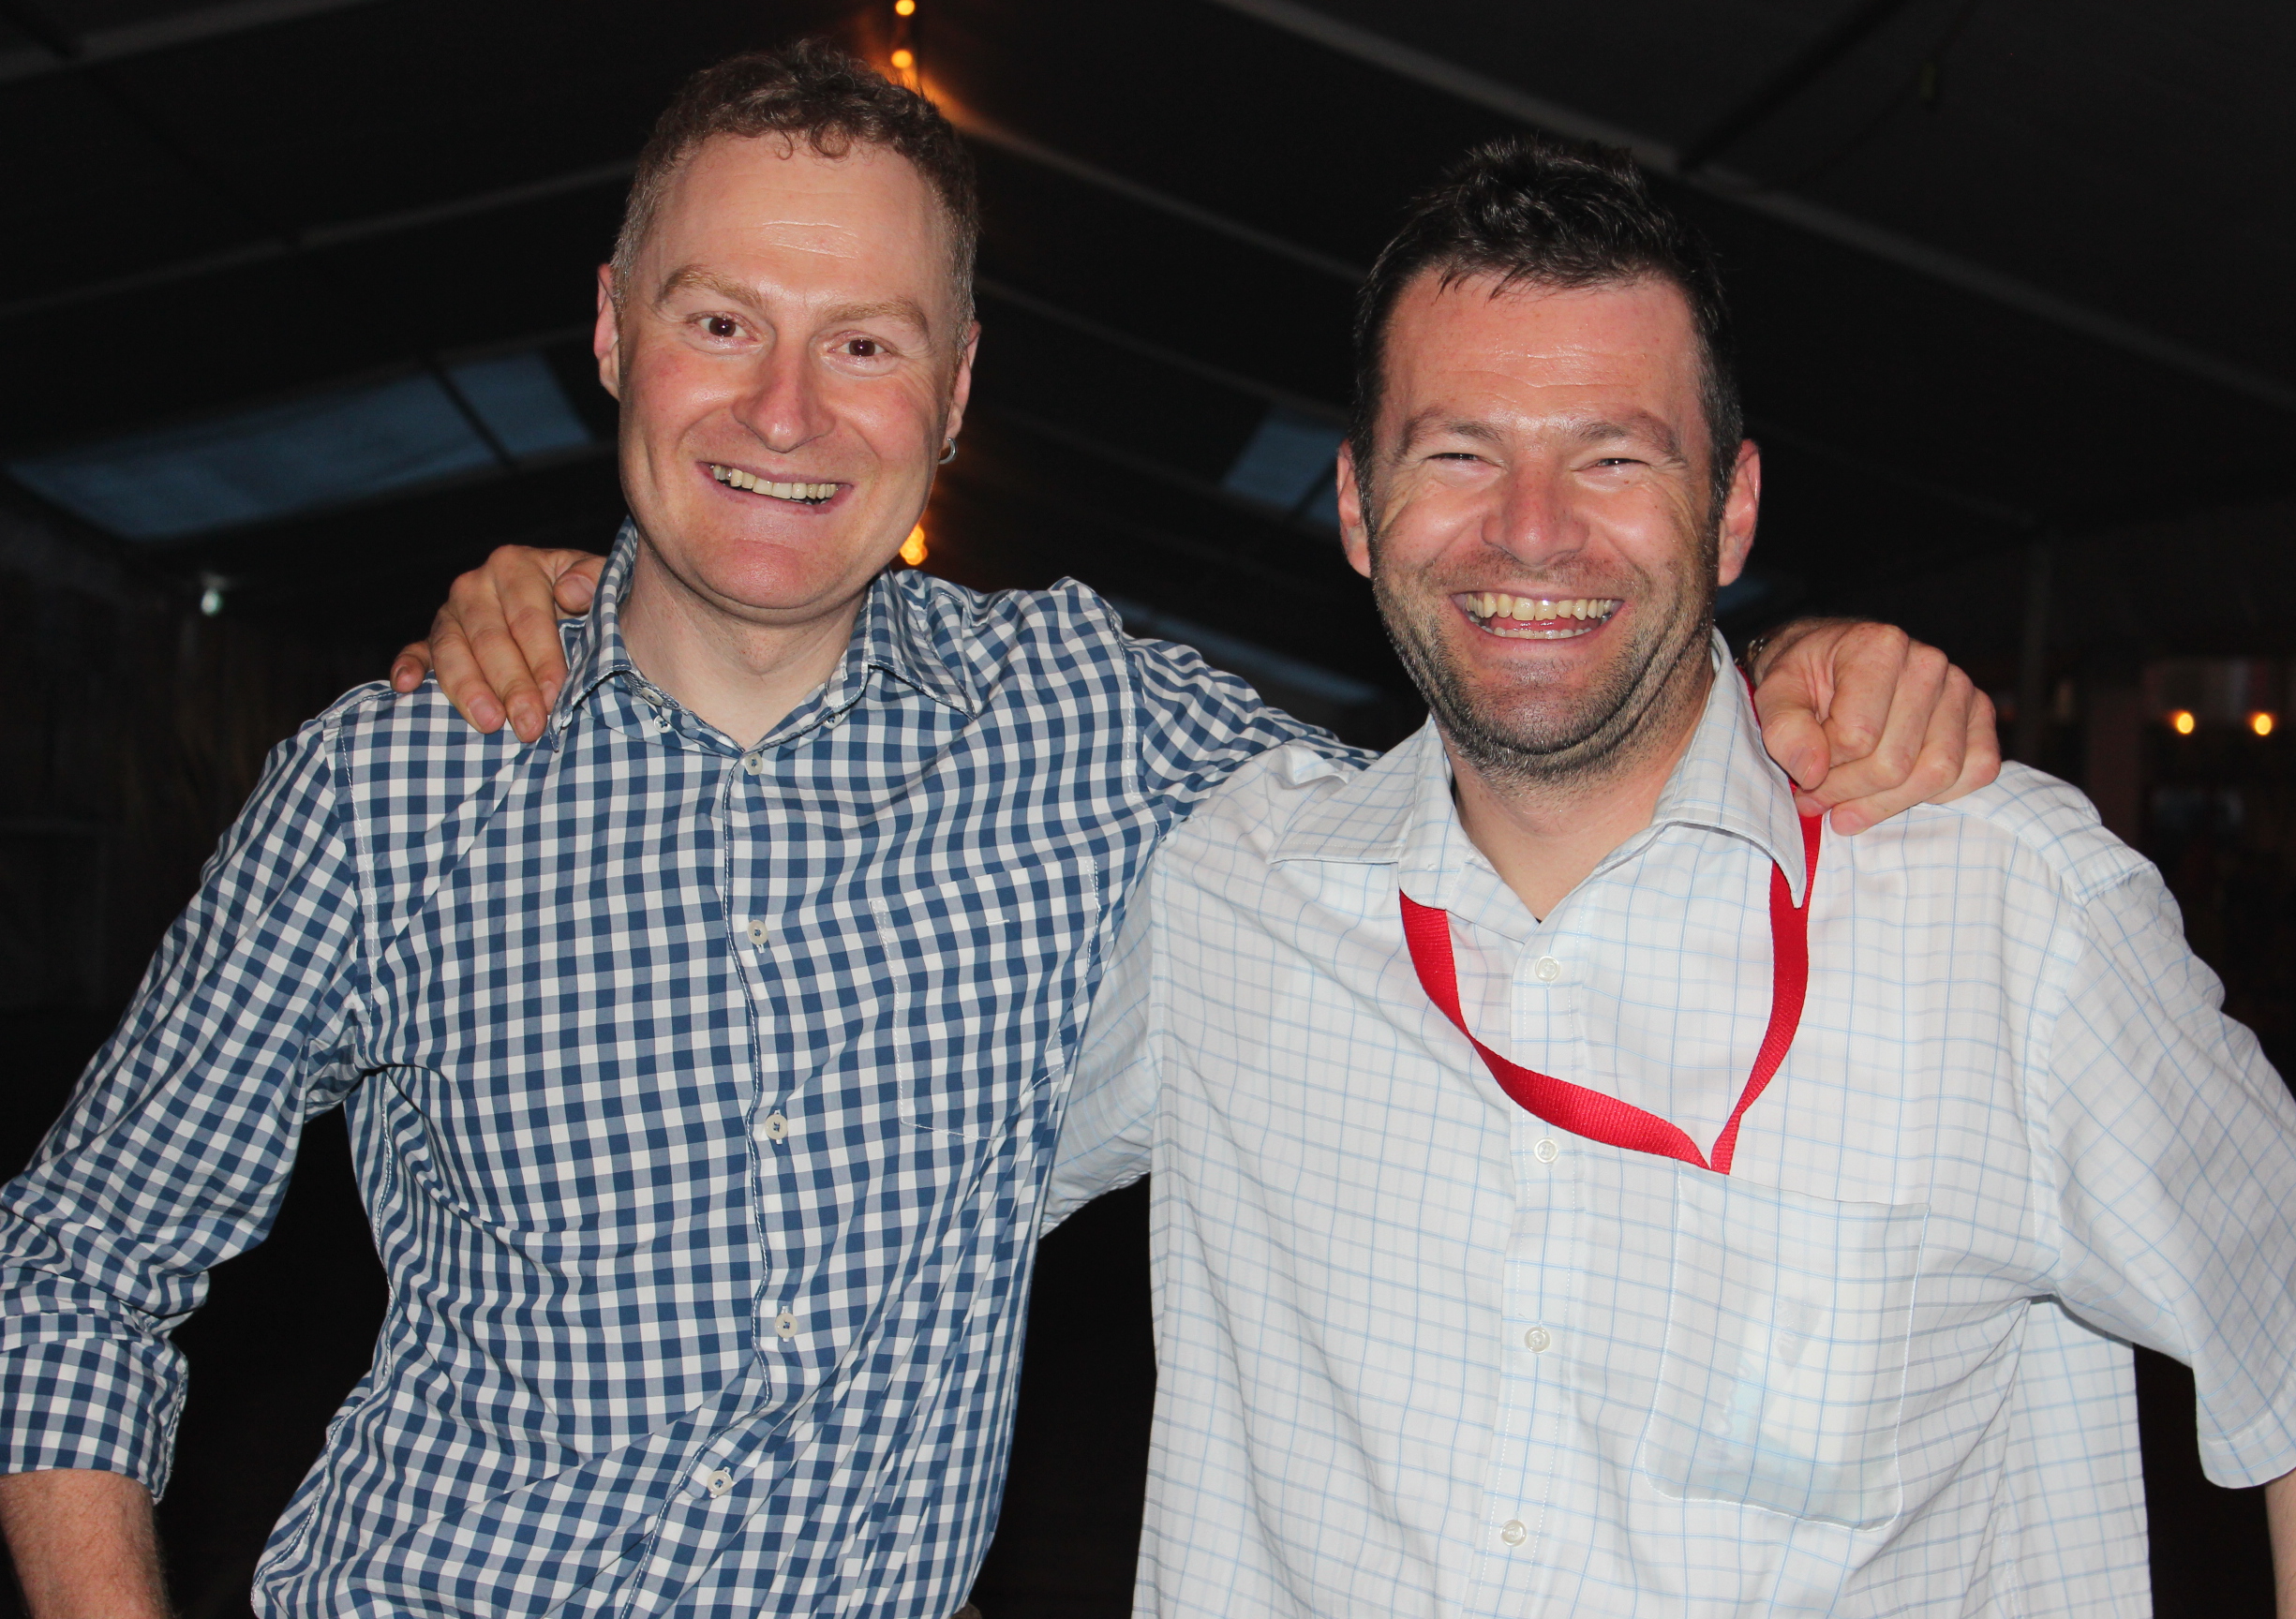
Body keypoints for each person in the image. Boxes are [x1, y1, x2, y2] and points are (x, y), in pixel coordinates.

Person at [0, 44, 1993, 1619]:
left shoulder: (1084, 721)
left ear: (957, 391)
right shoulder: (398, 780)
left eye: (865, 343)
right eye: (721, 323)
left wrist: (1787, 664)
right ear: (612, 333)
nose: (787, 411)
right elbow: (74, 1269)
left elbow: (1482, 784)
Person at [1041, 139, 2296, 1616]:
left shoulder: (2004, 915)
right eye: (1459, 454)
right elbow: (913, 1168)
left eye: (1615, 457)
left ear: (1735, 505)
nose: (1531, 528)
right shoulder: (1225, 898)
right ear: (1355, 507)